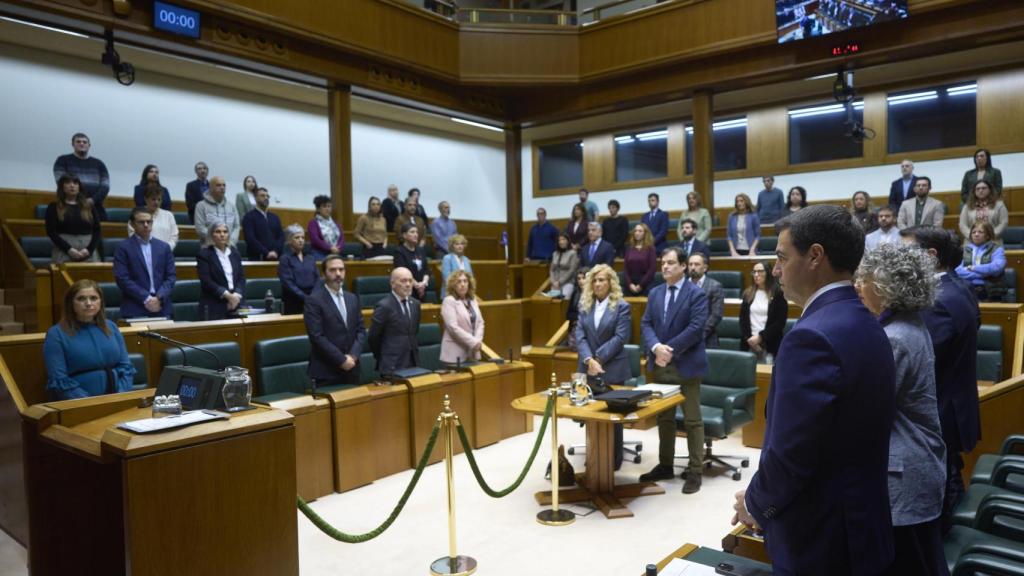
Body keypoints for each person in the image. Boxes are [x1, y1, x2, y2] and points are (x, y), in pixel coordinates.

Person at [732, 205, 897, 575]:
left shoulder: (812, 337)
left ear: (815, 256)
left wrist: (756, 503)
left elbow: (792, 455)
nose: (775, 270)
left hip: (821, 538)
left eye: (781, 257)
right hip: (861, 524)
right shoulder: (866, 320)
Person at [854, 244, 948, 575]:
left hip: (905, 474)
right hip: (917, 465)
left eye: (863, 279)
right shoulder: (909, 324)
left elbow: (863, 410)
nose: (858, 286)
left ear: (884, 286)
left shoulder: (894, 337)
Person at [900, 226, 980, 534]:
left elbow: (919, 362)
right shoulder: (958, 287)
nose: (900, 258)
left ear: (930, 256)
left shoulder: (939, 302)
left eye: (907, 251)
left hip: (942, 410)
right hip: (952, 405)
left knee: (944, 500)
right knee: (949, 480)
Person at [638, 246, 709, 494]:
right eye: (662, 263)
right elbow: (646, 323)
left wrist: (670, 349)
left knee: (692, 421)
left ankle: (695, 471)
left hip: (686, 365)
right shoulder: (655, 292)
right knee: (664, 419)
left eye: (670, 263)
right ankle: (665, 464)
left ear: (682, 266)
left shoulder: (696, 293)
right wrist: (657, 347)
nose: (665, 267)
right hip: (660, 366)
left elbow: (697, 327)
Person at [575, 264, 631, 470]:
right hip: (588, 368)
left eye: (602, 280)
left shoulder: (621, 306)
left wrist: (598, 357)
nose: (598, 284)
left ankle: (614, 460)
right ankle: (594, 456)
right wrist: (589, 359)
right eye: (595, 280)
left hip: (612, 368)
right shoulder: (584, 306)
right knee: (591, 414)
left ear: (611, 283)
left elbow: (620, 337)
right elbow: (579, 336)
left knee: (612, 417)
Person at [44, 280, 135, 400]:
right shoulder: (56, 333)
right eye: (81, 299)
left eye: (93, 298)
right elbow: (60, 380)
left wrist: (120, 396)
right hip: (79, 403)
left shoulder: (111, 327)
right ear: (70, 303)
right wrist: (89, 403)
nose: (88, 303)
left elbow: (126, 368)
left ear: (100, 301)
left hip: (117, 398)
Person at [304, 254, 365, 388]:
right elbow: (317, 336)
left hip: (352, 368)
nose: (338, 274)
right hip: (326, 371)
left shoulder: (353, 298)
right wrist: (341, 360)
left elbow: (360, 330)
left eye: (341, 269)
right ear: (324, 274)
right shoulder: (314, 300)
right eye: (332, 270)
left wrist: (353, 356)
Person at [114, 207, 176, 319]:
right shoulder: (123, 247)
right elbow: (122, 279)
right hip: (135, 306)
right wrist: (147, 298)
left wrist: (159, 298)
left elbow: (170, 277)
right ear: (132, 225)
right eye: (141, 222)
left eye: (149, 221)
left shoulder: (164, 247)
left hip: (162, 306)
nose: (146, 225)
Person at [369, 267, 421, 377]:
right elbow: (374, 337)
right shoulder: (384, 306)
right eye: (403, 281)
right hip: (391, 364)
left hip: (413, 362)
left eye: (410, 281)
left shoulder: (415, 304)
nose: (408, 284)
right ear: (392, 284)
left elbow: (414, 331)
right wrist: (384, 356)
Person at [52, 133, 110, 220]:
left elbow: (105, 186)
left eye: (84, 142)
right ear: (73, 144)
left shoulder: (99, 164)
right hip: (69, 206)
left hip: (95, 206)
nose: (81, 144)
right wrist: (79, 201)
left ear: (89, 145)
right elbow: (61, 182)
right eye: (78, 141)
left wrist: (92, 200)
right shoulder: (62, 160)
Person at [45, 175, 101, 264]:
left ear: (79, 187)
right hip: (64, 250)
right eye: (68, 183)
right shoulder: (54, 207)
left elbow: (97, 230)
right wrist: (69, 249)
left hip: (88, 251)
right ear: (62, 187)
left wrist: (89, 249)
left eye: (75, 183)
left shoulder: (89, 206)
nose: (72, 185)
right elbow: (51, 231)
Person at [196, 221, 246, 320]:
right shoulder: (204, 255)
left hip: (236, 302)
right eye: (218, 232)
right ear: (211, 235)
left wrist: (236, 295)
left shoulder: (235, 254)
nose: (222, 235)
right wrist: (227, 295)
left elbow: (241, 277)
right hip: (215, 304)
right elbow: (206, 281)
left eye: (225, 232)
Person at [739, 261, 787, 363]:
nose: (756, 275)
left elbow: (779, 322)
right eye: (754, 272)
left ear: (768, 273)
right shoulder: (748, 293)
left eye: (760, 271)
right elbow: (743, 320)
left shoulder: (778, 293)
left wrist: (760, 337)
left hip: (770, 344)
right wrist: (750, 339)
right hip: (749, 344)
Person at [440, 270, 485, 366]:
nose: (463, 284)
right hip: (454, 353)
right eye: (459, 281)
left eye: (465, 281)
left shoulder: (472, 300)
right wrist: (474, 342)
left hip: (472, 351)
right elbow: (453, 328)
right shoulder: (449, 301)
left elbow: (480, 322)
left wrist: (477, 340)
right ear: (453, 285)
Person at [955, 221, 1006, 302]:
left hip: (990, 291)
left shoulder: (997, 249)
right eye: (973, 232)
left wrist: (973, 268)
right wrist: (985, 274)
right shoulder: (964, 250)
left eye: (980, 232)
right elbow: (957, 270)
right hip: (967, 289)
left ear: (988, 235)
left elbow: (996, 268)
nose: (976, 234)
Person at [279, 224, 319, 315]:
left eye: (303, 237)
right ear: (289, 240)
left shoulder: (310, 258)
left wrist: (314, 295)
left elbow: (317, 278)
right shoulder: (285, 259)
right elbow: (288, 283)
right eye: (297, 237)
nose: (301, 240)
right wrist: (305, 297)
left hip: (312, 299)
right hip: (293, 301)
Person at [688, 253, 724, 348]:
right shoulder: (682, 286)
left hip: (706, 339)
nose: (692, 267)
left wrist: (697, 335)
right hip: (683, 339)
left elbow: (716, 315)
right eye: (690, 264)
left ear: (705, 268)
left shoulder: (715, 286)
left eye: (696, 264)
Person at [193, 176, 240, 247]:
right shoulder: (201, 205)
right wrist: (217, 241)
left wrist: (230, 242)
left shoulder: (232, 206)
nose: (222, 187)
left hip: (230, 247)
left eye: (224, 185)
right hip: (209, 248)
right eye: (218, 185)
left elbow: (236, 227)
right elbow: (200, 227)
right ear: (210, 188)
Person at [130, 183, 179, 250]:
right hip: (143, 253)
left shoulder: (168, 215)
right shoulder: (137, 214)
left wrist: (166, 249)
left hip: (165, 252)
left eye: (159, 199)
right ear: (146, 199)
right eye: (153, 199)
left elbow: (174, 236)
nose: (156, 202)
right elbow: (132, 235)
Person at [241, 187, 284, 261]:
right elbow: (250, 239)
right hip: (257, 257)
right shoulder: (249, 217)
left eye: (267, 196)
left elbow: (281, 236)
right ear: (255, 198)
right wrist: (266, 253)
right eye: (262, 195)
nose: (266, 198)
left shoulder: (275, 217)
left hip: (275, 256)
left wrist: (275, 251)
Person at [394, 222, 430, 300]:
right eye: (412, 232)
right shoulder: (399, 252)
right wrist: (417, 285)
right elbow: (402, 273)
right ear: (404, 235)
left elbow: (427, 270)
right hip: (407, 290)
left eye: (416, 232)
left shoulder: (421, 250)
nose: (416, 234)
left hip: (422, 290)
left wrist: (423, 283)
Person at [308, 195, 345, 261]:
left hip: (336, 252)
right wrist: (330, 248)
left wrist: (338, 249)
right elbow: (315, 240)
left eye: (329, 206)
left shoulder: (336, 223)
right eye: (324, 206)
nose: (327, 208)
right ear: (318, 209)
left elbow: (342, 238)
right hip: (320, 253)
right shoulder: (313, 223)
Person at [623, 223, 656, 297]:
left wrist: (641, 285)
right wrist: (630, 284)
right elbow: (625, 269)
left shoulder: (650, 249)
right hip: (631, 283)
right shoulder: (629, 248)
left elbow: (652, 270)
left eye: (640, 231)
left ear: (645, 233)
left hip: (646, 283)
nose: (637, 233)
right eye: (635, 231)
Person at [548, 233, 579, 299]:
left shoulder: (573, 253)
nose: (561, 242)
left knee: (563, 302)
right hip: (555, 283)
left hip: (568, 282)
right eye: (559, 240)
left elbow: (572, 270)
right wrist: (553, 281)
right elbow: (551, 270)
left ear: (568, 241)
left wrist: (560, 282)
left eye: (563, 239)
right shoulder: (555, 253)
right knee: (553, 303)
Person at [565, 268, 588, 350]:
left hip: (589, 331)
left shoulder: (595, 295)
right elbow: (568, 314)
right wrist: (579, 317)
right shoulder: (575, 293)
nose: (581, 281)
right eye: (579, 278)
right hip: (575, 329)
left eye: (583, 278)